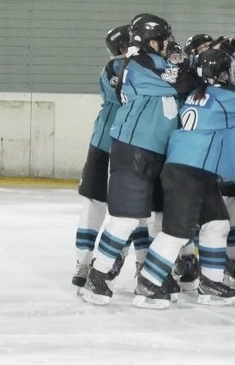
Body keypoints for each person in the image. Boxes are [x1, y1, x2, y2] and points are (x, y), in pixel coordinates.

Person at [132, 48, 235, 309]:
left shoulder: (198, 94)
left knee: (217, 223)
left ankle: (211, 282)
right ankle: (148, 282)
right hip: (190, 171)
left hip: (197, 170)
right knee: (176, 231)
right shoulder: (225, 97)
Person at [82, 13, 198, 305]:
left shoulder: (156, 62)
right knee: (125, 219)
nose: (167, 44)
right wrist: (184, 64)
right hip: (133, 149)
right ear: (146, 40)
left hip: (157, 150)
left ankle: (149, 275)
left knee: (155, 216)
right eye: (162, 39)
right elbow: (183, 83)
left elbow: (188, 83)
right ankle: (97, 276)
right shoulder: (135, 64)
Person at [72, 25, 149, 292]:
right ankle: (84, 262)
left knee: (135, 209)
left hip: (126, 145)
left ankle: (141, 264)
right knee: (95, 204)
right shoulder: (116, 67)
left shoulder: (142, 67)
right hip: (109, 145)